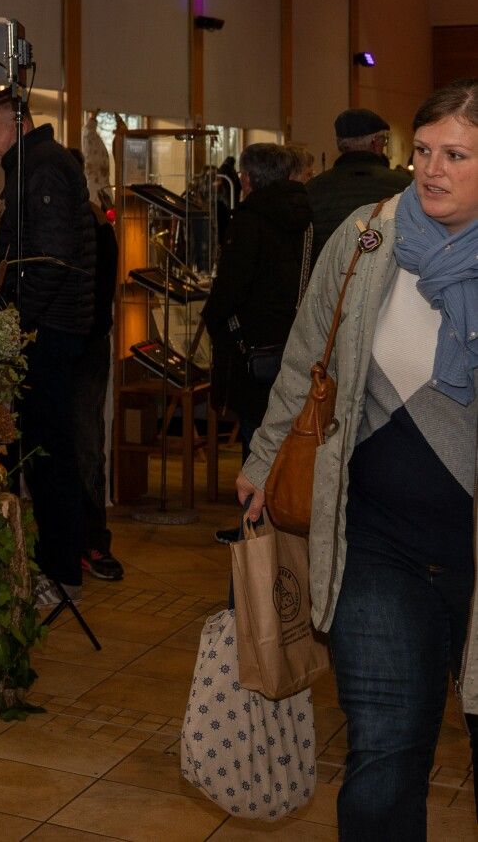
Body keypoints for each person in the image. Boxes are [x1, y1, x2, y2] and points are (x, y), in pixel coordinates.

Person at [238, 80, 478, 841]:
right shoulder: (369, 239)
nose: (432, 170)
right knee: (382, 761)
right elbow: (307, 357)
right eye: (425, 151)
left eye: (456, 155)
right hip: (376, 542)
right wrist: (263, 460)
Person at [0, 88, 96, 594]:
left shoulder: (43, 167)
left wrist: (17, 324)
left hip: (50, 330)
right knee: (46, 451)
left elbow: (50, 259)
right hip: (52, 326)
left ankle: (61, 568)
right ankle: (57, 561)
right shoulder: (34, 164)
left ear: (19, 124)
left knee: (48, 454)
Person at [203, 142, 314, 458]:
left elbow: (229, 289)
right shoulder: (307, 219)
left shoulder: (248, 221)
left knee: (256, 449)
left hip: (253, 352)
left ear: (247, 179)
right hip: (297, 346)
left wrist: (213, 320)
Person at [77, 191, 122, 581]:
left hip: (84, 346)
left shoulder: (95, 226)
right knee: (86, 442)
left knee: (88, 444)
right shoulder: (98, 225)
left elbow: (101, 293)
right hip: (86, 344)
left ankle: (91, 539)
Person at [306, 107, 412, 261]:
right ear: (375, 142)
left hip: (329, 272)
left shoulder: (313, 188)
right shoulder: (404, 186)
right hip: (384, 272)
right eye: (383, 140)